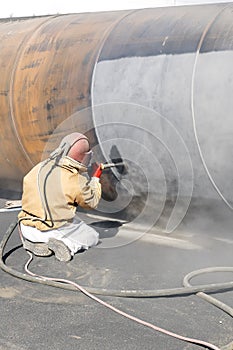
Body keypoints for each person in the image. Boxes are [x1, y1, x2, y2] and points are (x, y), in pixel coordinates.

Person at [18, 132, 103, 262]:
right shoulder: (76, 180)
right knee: (92, 236)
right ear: (84, 157)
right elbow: (91, 202)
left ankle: (34, 242)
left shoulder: (39, 167)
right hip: (52, 231)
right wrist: (95, 179)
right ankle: (68, 246)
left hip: (27, 228)